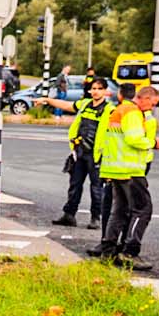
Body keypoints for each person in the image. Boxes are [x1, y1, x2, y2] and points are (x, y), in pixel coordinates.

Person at [91, 85, 159, 269]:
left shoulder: (120, 110)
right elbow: (133, 139)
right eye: (153, 104)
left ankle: (108, 251)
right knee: (143, 209)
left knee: (119, 210)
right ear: (145, 98)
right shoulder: (133, 113)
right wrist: (153, 143)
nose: (152, 108)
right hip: (130, 170)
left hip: (114, 168)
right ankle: (130, 252)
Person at [50, 76, 113, 229]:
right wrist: (47, 100)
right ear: (90, 90)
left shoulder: (110, 109)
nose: (96, 92)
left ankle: (95, 218)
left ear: (105, 91)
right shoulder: (85, 104)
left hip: (96, 155)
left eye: (99, 89)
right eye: (94, 88)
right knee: (75, 184)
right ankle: (69, 215)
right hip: (79, 152)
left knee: (96, 188)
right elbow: (66, 105)